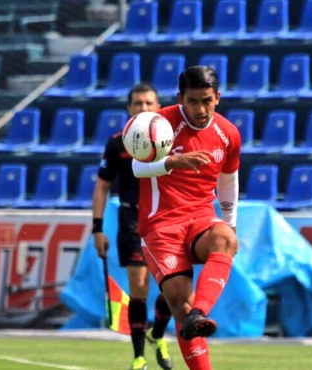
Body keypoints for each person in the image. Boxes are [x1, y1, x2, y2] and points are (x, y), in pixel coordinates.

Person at [132, 66, 241, 370]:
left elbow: (228, 180)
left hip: (199, 217)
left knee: (226, 239)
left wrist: (230, 222)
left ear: (217, 97)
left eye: (207, 100)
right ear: (180, 98)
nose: (201, 109)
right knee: (180, 304)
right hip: (159, 225)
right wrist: (172, 162)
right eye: (193, 101)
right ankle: (192, 317)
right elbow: (136, 169)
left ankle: (200, 313)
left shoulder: (228, 133)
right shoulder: (157, 124)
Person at [92, 83, 174, 370]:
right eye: (138, 103)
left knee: (173, 289)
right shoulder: (117, 143)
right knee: (138, 288)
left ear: (159, 107)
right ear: (128, 108)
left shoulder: (170, 139)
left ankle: (158, 334)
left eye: (149, 103)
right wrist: (97, 228)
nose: (143, 108)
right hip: (132, 220)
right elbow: (102, 187)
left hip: (166, 219)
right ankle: (139, 358)